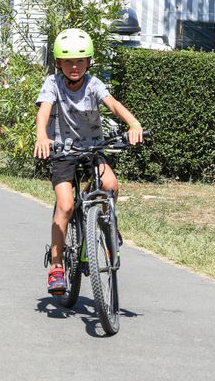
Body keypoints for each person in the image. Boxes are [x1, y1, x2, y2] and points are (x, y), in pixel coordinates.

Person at [33, 28, 143, 295]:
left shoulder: (93, 84)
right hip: (62, 152)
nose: (74, 66)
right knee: (66, 205)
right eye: (68, 61)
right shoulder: (52, 84)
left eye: (80, 61)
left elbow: (113, 104)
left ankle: (106, 225)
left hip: (93, 149)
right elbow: (44, 112)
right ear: (58, 63)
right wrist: (41, 136)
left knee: (111, 186)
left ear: (88, 62)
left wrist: (133, 122)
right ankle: (57, 266)